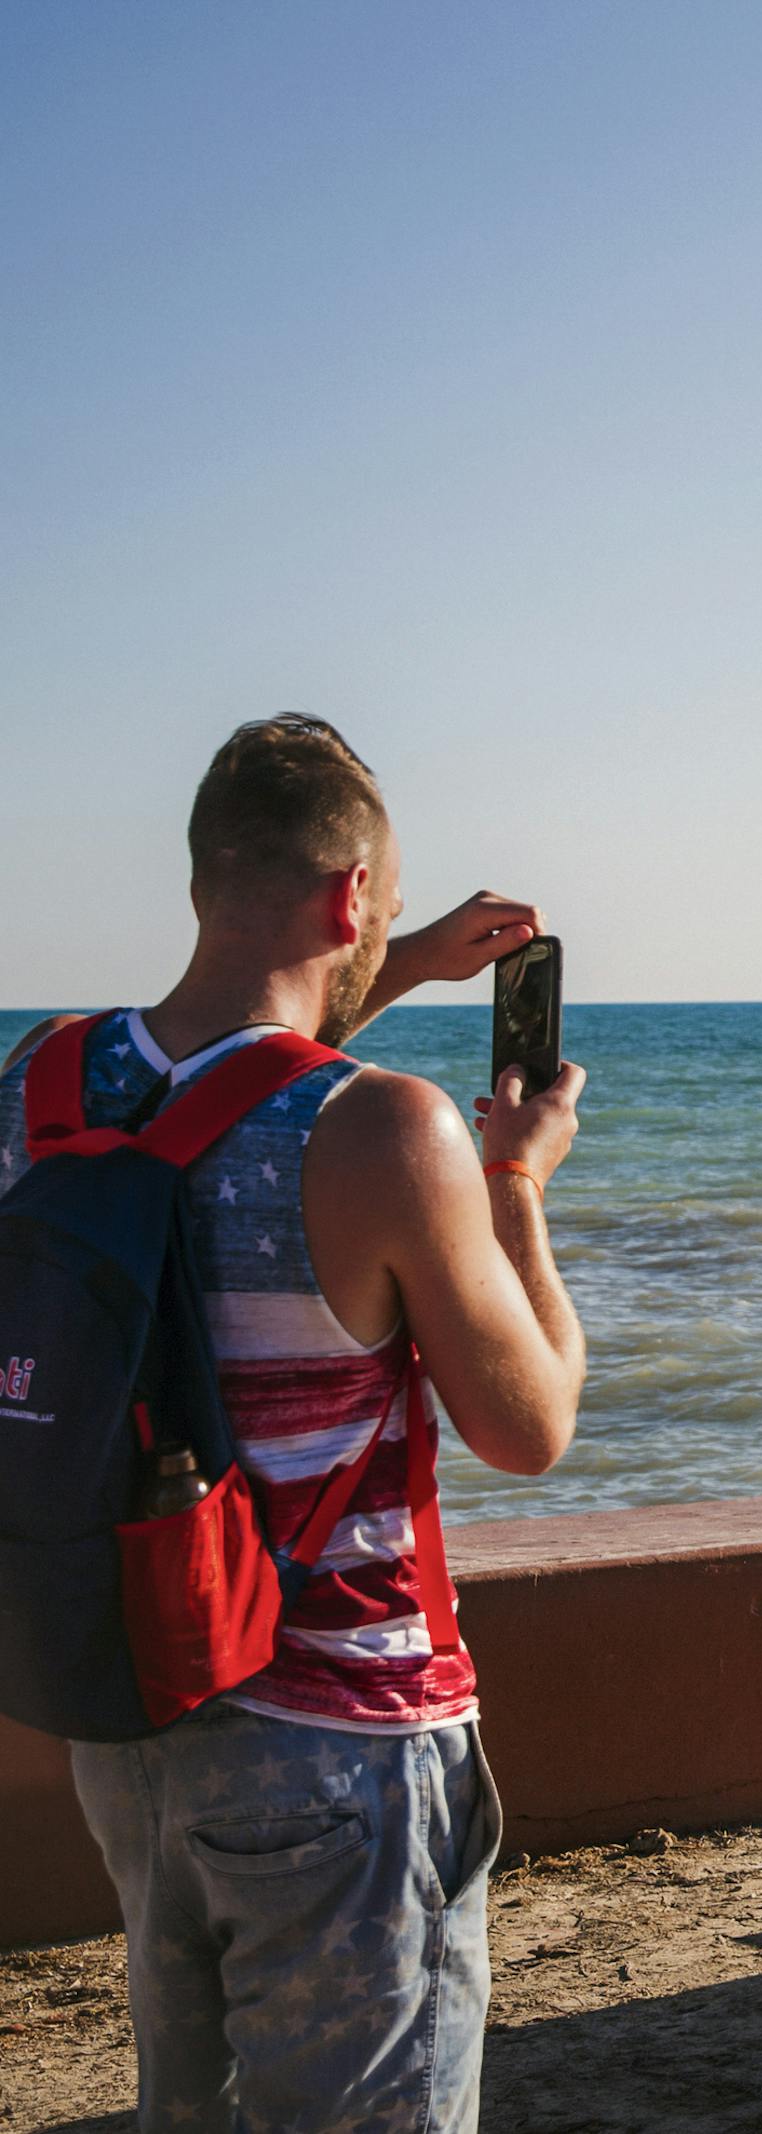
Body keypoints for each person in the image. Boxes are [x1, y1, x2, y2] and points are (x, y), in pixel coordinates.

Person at [0, 715, 588, 2127]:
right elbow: (530, 1423)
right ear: (350, 900)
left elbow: (212, 1096)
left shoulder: (44, 1086)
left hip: (131, 1709)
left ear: (205, 876)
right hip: (338, 1736)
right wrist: (516, 1189)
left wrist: (400, 958)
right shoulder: (389, 1130)